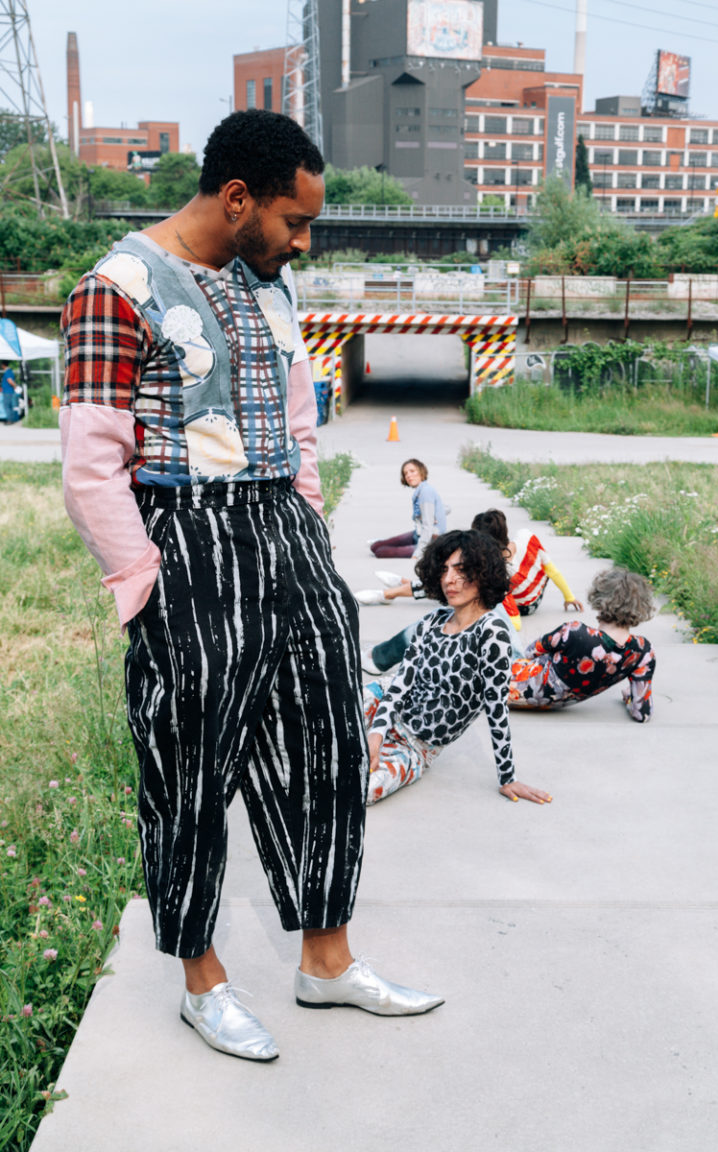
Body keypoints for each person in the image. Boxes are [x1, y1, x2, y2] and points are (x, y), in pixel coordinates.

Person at [60, 109, 442, 1064]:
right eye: (294, 221)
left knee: (327, 744)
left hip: (285, 530)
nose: (303, 242)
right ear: (237, 199)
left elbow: (303, 420)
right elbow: (89, 466)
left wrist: (307, 518)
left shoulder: (272, 286)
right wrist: (142, 584)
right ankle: (202, 979)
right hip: (187, 541)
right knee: (188, 772)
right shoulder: (116, 290)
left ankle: (326, 960)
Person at [365, 529, 552, 806]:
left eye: (461, 570)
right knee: (319, 716)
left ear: (483, 573)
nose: (449, 580)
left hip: (415, 745)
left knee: (363, 789)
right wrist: (376, 733)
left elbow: (496, 708)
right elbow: (400, 682)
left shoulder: (491, 633)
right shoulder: (432, 621)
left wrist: (507, 777)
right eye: (443, 570)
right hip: (383, 704)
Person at [360, 509, 573, 672]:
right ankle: (397, 595)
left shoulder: (497, 594)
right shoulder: (524, 540)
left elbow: (512, 625)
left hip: (518, 622)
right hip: (518, 612)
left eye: (464, 570)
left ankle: (380, 644)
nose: (451, 580)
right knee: (442, 611)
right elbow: (552, 570)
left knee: (437, 618)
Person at [357, 509, 582, 619]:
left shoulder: (498, 569)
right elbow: (551, 569)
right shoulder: (527, 536)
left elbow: (513, 618)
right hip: (534, 597)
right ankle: (401, 587)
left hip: (522, 606)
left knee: (457, 585)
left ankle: (390, 594)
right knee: (457, 582)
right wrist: (569, 595)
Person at [507, 567, 655, 721]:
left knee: (497, 607)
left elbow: (530, 652)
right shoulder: (643, 652)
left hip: (505, 683)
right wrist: (629, 697)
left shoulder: (576, 632)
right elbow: (642, 714)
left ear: (599, 598)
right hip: (549, 703)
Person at [368, 458, 447, 560]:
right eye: (406, 473)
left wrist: (418, 553)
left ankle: (411, 548)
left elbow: (428, 528)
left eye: (412, 471)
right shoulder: (422, 490)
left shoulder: (425, 492)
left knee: (380, 552)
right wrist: (436, 513)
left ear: (421, 471)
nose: (409, 475)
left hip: (429, 542)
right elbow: (445, 507)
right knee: (375, 546)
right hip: (417, 534)